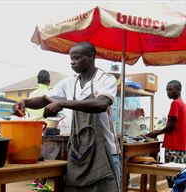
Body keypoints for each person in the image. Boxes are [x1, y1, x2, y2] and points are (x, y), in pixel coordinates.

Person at [14, 42, 119, 192]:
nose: (72, 62)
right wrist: (24, 102)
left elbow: (101, 104)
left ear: (90, 57)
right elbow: (44, 99)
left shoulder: (105, 79)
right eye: (71, 59)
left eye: (76, 58)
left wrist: (63, 103)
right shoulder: (69, 83)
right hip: (79, 151)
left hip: (107, 151)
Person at [146, 80, 186, 188]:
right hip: (181, 147)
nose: (168, 92)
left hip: (174, 147)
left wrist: (156, 133)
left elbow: (171, 125)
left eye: (170, 89)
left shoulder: (175, 103)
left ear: (178, 90)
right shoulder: (183, 104)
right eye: (167, 90)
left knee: (173, 179)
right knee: (180, 179)